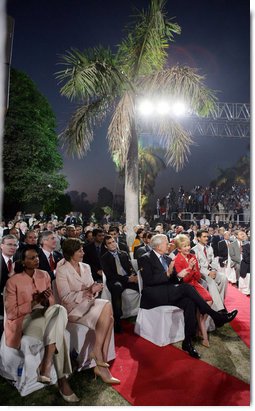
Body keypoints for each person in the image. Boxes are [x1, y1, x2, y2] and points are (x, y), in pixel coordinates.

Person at [139, 234, 238, 359]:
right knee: (187, 287)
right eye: (166, 243)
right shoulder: (145, 258)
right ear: (159, 246)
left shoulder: (168, 259)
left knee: (190, 302)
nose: (170, 245)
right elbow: (148, 281)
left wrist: (180, 275)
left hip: (169, 292)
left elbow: (175, 280)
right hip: (154, 295)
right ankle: (216, 316)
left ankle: (187, 342)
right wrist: (167, 273)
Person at [4, 245, 79, 403]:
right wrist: (34, 302)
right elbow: (11, 313)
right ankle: (62, 380)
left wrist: (45, 300)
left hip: (46, 314)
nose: (37, 259)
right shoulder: (13, 282)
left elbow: (51, 302)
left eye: (37, 256)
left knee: (58, 308)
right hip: (24, 320)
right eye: (32, 258)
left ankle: (45, 364)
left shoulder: (44, 275)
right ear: (23, 262)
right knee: (58, 332)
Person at [56, 238, 120, 385]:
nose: (83, 253)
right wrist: (87, 292)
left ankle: (98, 356)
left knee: (107, 310)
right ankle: (100, 360)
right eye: (80, 251)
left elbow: (91, 287)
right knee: (108, 313)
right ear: (71, 253)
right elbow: (65, 298)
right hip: (73, 309)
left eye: (82, 250)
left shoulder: (85, 266)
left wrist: (95, 289)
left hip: (89, 303)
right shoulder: (62, 270)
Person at [174, 235, 213, 348]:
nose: (187, 248)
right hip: (186, 288)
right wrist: (191, 268)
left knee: (209, 301)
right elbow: (184, 280)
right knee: (201, 306)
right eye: (184, 246)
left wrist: (194, 269)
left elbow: (197, 276)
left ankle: (199, 328)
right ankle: (203, 335)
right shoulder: (177, 260)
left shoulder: (193, 256)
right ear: (179, 248)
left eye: (188, 245)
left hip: (195, 284)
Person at [101, 235, 139, 333]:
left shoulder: (124, 254)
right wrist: (128, 279)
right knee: (117, 287)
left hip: (127, 279)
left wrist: (134, 276)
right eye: (109, 243)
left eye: (113, 241)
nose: (112, 244)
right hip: (115, 281)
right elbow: (110, 275)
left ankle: (143, 314)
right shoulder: (104, 258)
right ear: (106, 246)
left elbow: (130, 268)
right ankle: (117, 321)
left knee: (142, 285)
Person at [191, 230, 228, 312]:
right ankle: (220, 310)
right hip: (201, 273)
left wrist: (214, 270)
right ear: (198, 238)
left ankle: (220, 303)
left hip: (211, 271)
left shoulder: (210, 248)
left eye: (207, 236)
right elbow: (197, 267)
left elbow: (213, 261)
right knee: (210, 281)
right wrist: (208, 273)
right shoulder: (194, 250)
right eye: (204, 236)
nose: (207, 238)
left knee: (224, 278)